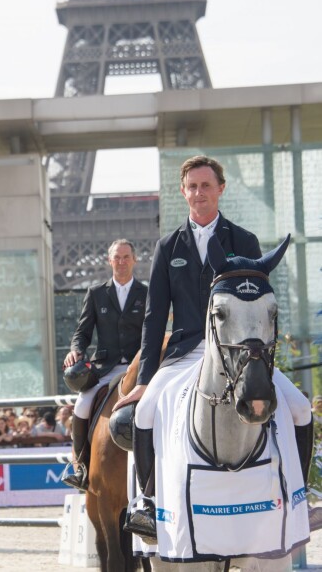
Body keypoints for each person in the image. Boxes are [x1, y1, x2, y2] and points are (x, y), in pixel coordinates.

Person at [118, 155, 312, 539]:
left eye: (206, 185)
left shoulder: (245, 240)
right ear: (183, 191)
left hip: (241, 355)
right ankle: (147, 502)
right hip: (187, 351)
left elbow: (262, 306)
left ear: (220, 189)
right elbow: (155, 317)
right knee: (145, 412)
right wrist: (144, 379)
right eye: (192, 186)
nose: (199, 192)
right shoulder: (167, 245)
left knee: (301, 408)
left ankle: (299, 496)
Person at [62, 239, 147, 490]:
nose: (121, 262)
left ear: (134, 260)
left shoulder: (147, 294)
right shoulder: (96, 293)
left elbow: (152, 333)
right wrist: (75, 350)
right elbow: (83, 332)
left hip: (139, 368)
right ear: (109, 261)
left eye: (126, 257)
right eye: (117, 257)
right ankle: (80, 467)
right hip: (106, 368)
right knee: (82, 404)